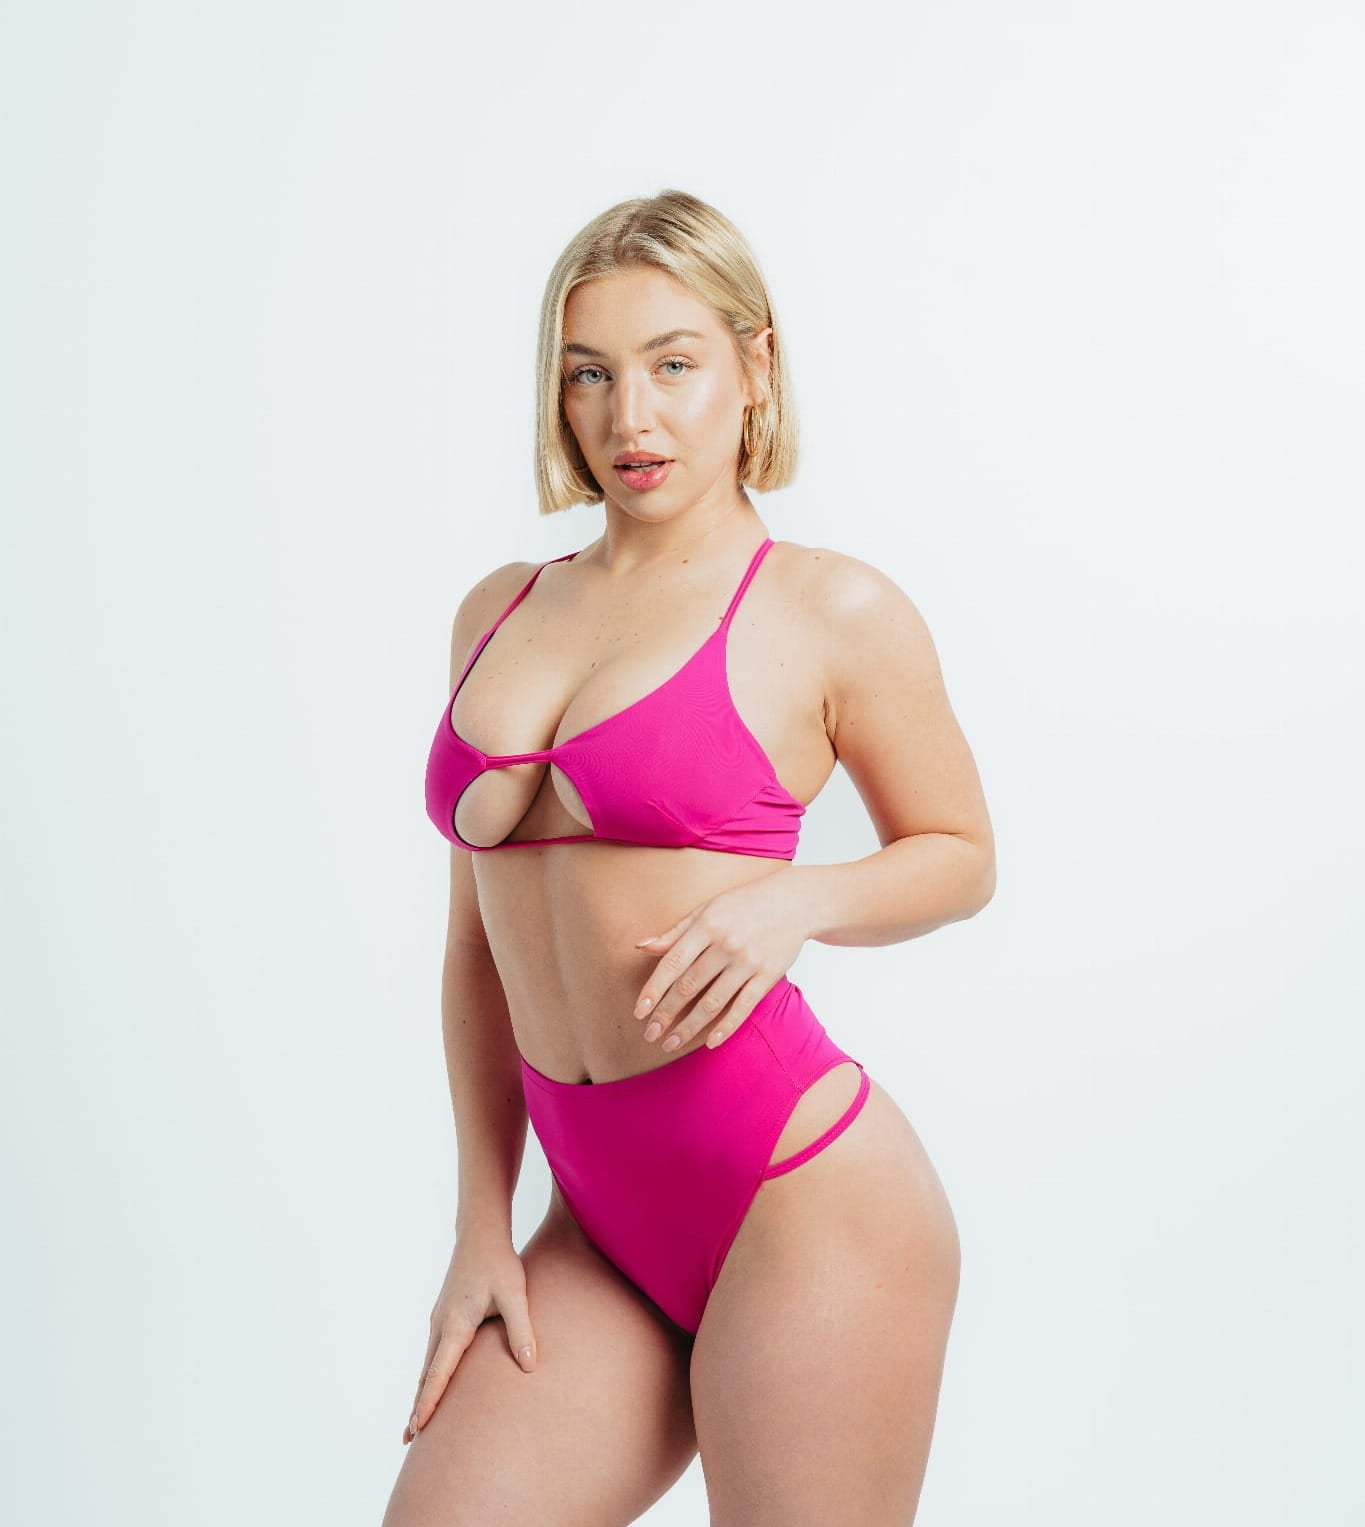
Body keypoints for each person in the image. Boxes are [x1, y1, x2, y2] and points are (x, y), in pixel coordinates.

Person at [382, 188, 995, 1526]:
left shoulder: (830, 607)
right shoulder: (497, 611)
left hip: (804, 1201)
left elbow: (958, 855)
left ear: (753, 366)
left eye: (673, 365)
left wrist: (799, 901)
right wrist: (481, 1222)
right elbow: (477, 946)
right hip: (590, 1220)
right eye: (589, 375)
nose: (630, 419)